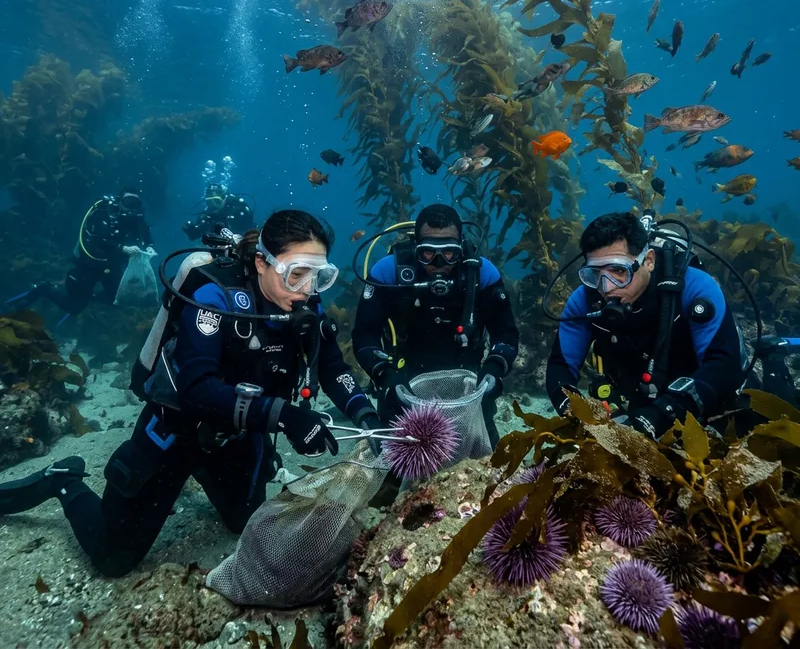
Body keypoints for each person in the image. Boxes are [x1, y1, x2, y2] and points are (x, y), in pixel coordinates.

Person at [0, 209, 380, 577]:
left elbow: (332, 367)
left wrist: (365, 414)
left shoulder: (304, 303)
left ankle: (211, 475)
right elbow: (197, 388)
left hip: (237, 439)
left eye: (319, 276)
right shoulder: (213, 297)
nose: (307, 289)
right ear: (263, 262)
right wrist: (286, 415)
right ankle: (64, 479)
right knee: (113, 558)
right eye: (296, 274)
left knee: (243, 523)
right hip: (175, 433)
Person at [545, 211, 746, 439]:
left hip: (712, 406)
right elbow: (561, 364)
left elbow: (724, 365)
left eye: (619, 271)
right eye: (595, 273)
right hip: (641, 404)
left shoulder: (695, 287)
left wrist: (661, 415)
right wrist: (572, 411)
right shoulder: (584, 300)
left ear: (648, 261)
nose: (607, 287)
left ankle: (775, 363)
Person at [352, 204, 519, 447]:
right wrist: (385, 376)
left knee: (485, 464)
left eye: (450, 252)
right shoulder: (389, 272)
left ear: (461, 246)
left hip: (469, 390)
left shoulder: (483, 274)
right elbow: (364, 335)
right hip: (403, 386)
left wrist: (494, 368)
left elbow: (506, 333)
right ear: (415, 247)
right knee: (394, 473)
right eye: (427, 253)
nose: (439, 262)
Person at [7, 186, 155, 317]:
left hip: (113, 266)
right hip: (90, 264)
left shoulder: (136, 218)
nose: (131, 207)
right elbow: (96, 240)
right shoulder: (103, 213)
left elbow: (145, 232)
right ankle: (44, 289)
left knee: (115, 300)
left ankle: (87, 298)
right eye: (129, 202)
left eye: (136, 203)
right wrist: (122, 248)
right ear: (120, 201)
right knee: (71, 305)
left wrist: (150, 246)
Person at [183, 183, 255, 241]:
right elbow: (199, 232)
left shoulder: (238, 210)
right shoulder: (207, 216)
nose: (213, 205)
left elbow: (248, 228)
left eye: (217, 201)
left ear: (224, 199)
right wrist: (192, 232)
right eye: (209, 202)